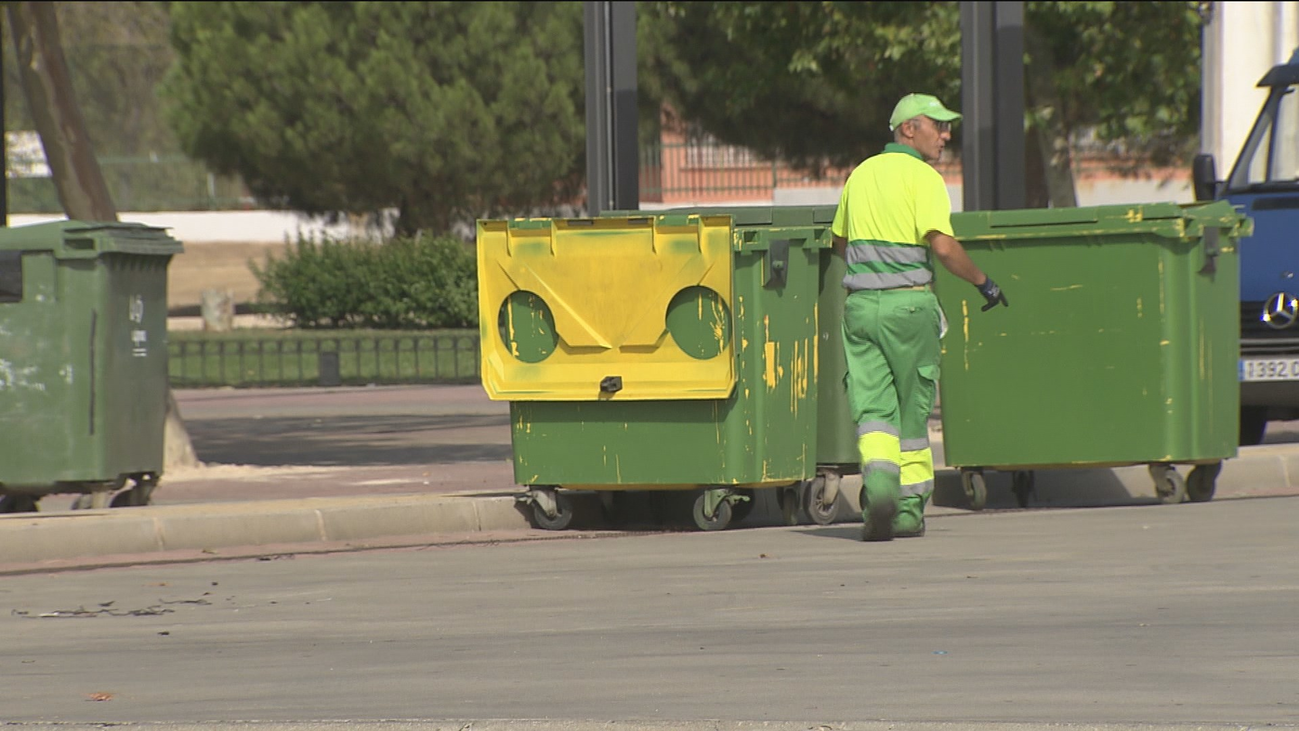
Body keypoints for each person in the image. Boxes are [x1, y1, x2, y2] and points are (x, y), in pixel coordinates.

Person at [831, 92, 1008, 541]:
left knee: (872, 410)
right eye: (939, 125)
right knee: (913, 410)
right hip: (909, 307)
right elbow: (943, 247)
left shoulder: (861, 175)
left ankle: (879, 487)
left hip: (860, 309)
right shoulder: (924, 178)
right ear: (909, 129)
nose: (946, 135)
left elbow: (839, 242)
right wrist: (984, 282)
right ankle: (907, 509)